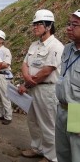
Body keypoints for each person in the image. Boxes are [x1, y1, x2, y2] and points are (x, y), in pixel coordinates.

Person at [18, 9, 63, 162]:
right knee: (33, 121)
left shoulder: (56, 46)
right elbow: (24, 64)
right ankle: (37, 148)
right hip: (32, 88)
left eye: (38, 24)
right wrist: (26, 77)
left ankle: (51, 156)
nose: (34, 27)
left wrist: (28, 83)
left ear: (48, 26)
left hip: (46, 90)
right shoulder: (34, 45)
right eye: (34, 24)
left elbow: (47, 71)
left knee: (48, 123)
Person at [55, 9, 80, 162]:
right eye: (68, 24)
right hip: (62, 109)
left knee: (76, 155)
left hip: (77, 111)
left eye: (74, 25)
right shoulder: (67, 49)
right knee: (62, 153)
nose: (69, 28)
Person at [0, 30, 13, 125]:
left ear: (1, 40)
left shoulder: (5, 51)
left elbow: (6, 64)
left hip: (3, 75)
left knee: (5, 96)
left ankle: (8, 116)